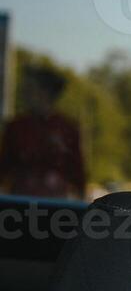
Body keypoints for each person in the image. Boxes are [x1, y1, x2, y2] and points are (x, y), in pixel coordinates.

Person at [0, 64, 86, 199]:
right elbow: (4, 167)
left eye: (30, 89)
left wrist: (82, 204)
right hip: (19, 202)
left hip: (56, 204)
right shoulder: (15, 126)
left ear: (46, 92)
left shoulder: (67, 128)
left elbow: (77, 172)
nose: (24, 94)